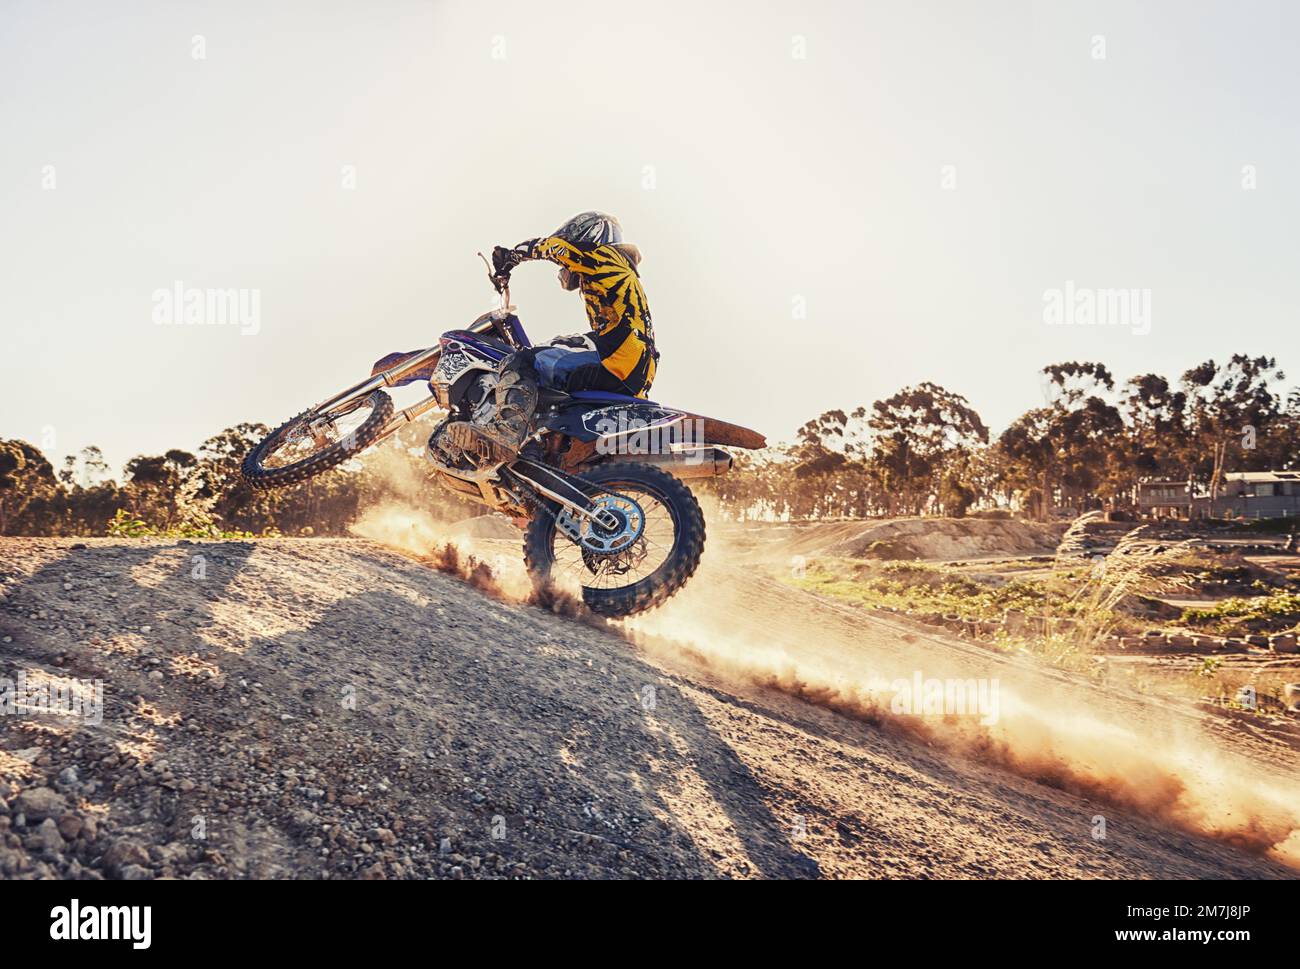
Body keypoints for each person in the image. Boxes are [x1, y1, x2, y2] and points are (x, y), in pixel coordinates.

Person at [445, 211, 656, 463]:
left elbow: (557, 248)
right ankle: (537, 453)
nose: (564, 270)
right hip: (630, 366)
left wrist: (513, 256)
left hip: (619, 356)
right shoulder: (610, 276)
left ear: (589, 234)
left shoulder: (606, 258)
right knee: (547, 379)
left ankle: (505, 434)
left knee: (524, 361)